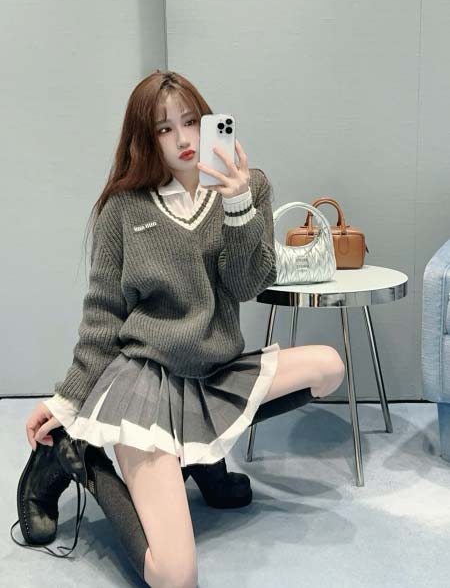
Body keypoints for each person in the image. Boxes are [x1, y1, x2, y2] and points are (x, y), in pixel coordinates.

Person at [14, 70, 345, 588]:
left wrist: (238, 206)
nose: (184, 139)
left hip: (214, 372)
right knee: (176, 576)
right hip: (145, 382)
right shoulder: (124, 209)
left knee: (329, 368)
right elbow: (104, 313)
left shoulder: (249, 187)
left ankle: (201, 456)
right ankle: (81, 455)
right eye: (165, 128)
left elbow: (247, 284)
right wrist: (67, 400)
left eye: (191, 122)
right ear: (145, 138)